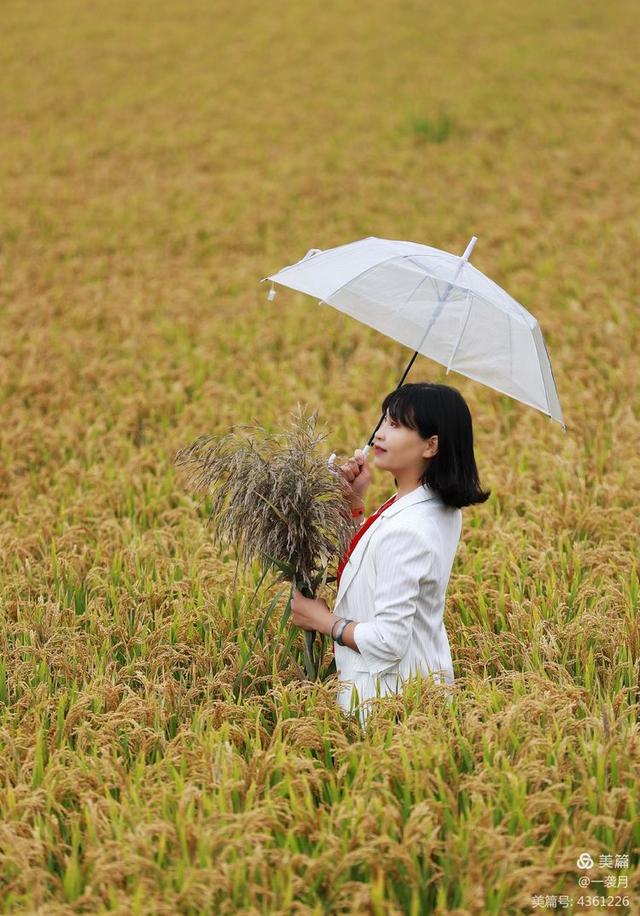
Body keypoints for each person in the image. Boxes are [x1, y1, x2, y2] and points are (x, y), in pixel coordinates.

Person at [291, 382, 490, 730]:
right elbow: (373, 567)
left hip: (391, 707)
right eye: (383, 421)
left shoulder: (409, 526)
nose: (380, 434)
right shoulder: (428, 504)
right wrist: (353, 505)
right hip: (414, 692)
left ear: (431, 445)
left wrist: (322, 621)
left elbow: (388, 641)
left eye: (396, 425)